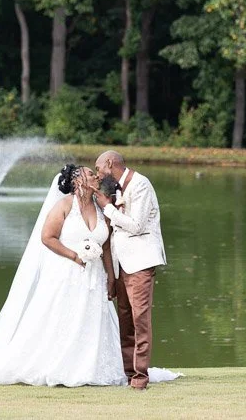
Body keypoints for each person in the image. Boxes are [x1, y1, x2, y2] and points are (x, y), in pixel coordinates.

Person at [0, 164, 125, 387]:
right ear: (77, 180)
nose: (96, 177)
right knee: (63, 318)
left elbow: (105, 246)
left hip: (94, 277)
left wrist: (111, 276)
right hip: (67, 273)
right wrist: (74, 256)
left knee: (93, 320)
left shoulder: (100, 207)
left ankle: (91, 366)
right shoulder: (64, 206)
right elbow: (48, 237)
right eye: (90, 174)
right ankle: (59, 365)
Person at [90, 151, 167, 390]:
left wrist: (108, 208)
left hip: (141, 263)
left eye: (98, 168)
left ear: (110, 164)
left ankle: (140, 377)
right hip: (120, 265)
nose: (97, 174)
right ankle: (128, 373)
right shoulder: (115, 188)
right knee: (125, 320)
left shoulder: (141, 184)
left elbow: (136, 225)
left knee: (139, 319)